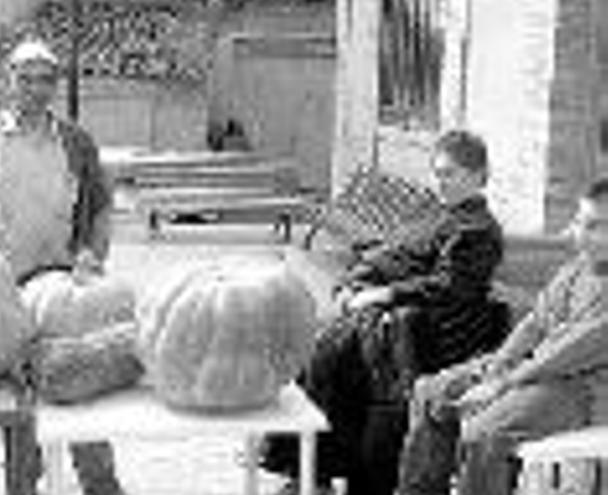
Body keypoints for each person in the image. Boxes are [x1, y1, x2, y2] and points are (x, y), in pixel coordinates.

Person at [259, 130, 508, 495]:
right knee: (330, 348)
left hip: (436, 331)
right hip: (397, 322)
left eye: (450, 174)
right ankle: (310, 469)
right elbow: (389, 253)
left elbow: (449, 286)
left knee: (339, 347)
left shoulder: (477, 230)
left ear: (479, 177)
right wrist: (357, 280)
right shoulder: (434, 215)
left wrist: (385, 293)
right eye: (437, 173)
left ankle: (313, 471)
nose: (441, 182)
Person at [0, 39, 123, 495]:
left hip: (67, 291)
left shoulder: (77, 142)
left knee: (81, 395)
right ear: (9, 83)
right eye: (25, 78)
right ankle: (22, 484)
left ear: (55, 85)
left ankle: (101, 486)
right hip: (6, 293)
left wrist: (92, 256)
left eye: (45, 79)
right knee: (18, 404)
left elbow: (100, 207)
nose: (35, 88)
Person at [395, 176, 608, 495]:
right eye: (580, 222)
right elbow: (535, 323)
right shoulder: (576, 269)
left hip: (585, 388)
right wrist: (499, 366)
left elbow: (568, 353)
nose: (581, 235)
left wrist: (501, 384)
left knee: (484, 433)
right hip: (537, 371)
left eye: (596, 227)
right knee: (430, 392)